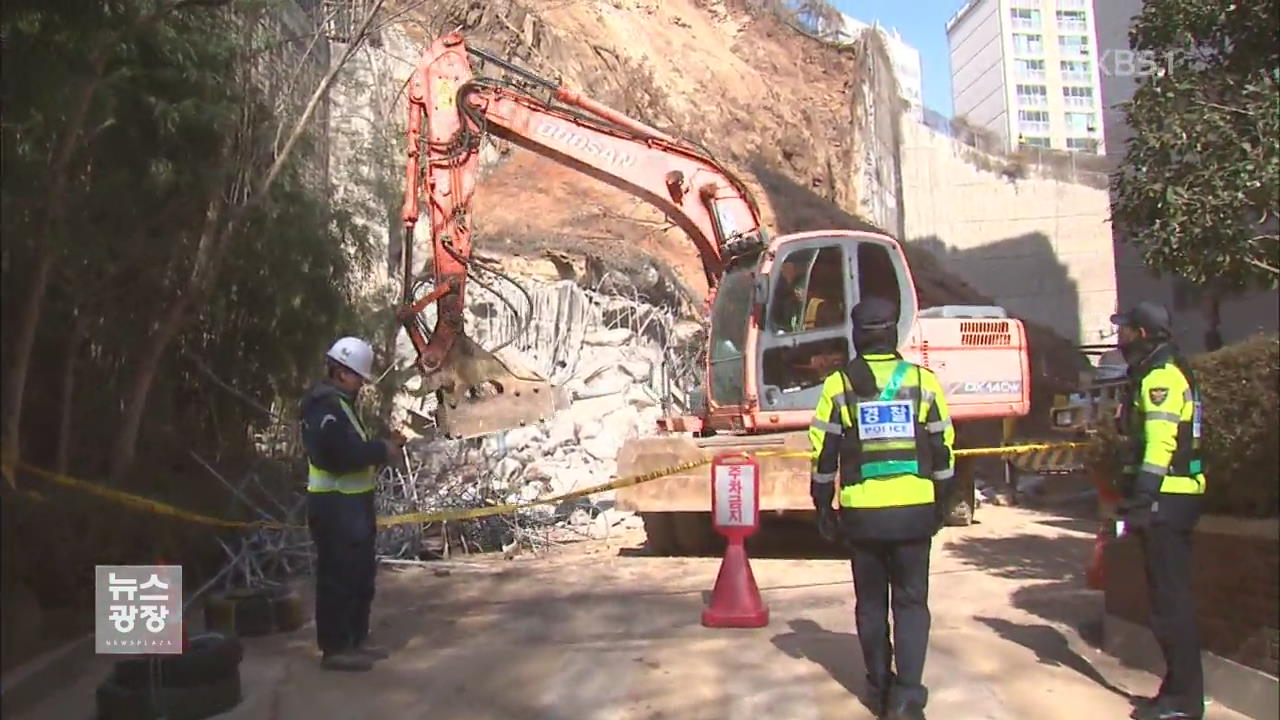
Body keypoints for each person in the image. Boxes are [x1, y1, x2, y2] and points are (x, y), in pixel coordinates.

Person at [808, 297, 955, 720]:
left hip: (863, 517)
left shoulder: (839, 385)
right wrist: (941, 502)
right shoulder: (924, 383)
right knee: (911, 604)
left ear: (857, 335)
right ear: (894, 332)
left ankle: (878, 686)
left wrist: (822, 505)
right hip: (914, 514)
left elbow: (823, 453)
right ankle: (908, 695)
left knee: (871, 605)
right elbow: (943, 449)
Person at [1111, 302, 1205, 720]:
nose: (1120, 336)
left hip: (1167, 499)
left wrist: (1143, 497)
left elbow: (1160, 444)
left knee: (1171, 604)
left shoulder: (1160, 379)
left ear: (1142, 334)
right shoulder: (1156, 372)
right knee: (1167, 600)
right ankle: (1177, 690)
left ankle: (1184, 701)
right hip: (1169, 497)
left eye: (1126, 329)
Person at [300, 336, 404, 672]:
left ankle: (356, 640)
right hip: (334, 509)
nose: (361, 382)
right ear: (342, 372)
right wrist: (380, 450)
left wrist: (382, 449)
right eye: (359, 376)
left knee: (360, 576)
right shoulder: (323, 408)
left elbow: (352, 453)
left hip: (353, 507)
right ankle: (336, 648)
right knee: (338, 578)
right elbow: (335, 456)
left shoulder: (341, 405)